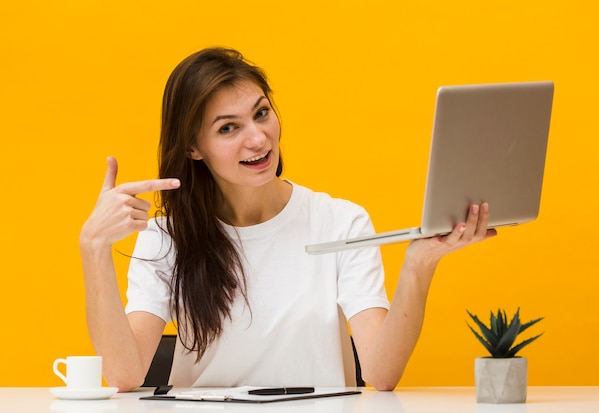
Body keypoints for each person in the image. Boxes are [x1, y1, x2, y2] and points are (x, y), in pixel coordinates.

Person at [80, 47, 496, 393]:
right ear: (193, 147)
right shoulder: (167, 237)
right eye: (228, 128)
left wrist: (420, 264)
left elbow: (381, 374)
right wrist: (94, 247)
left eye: (261, 113)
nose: (258, 138)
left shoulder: (340, 221)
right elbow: (124, 376)